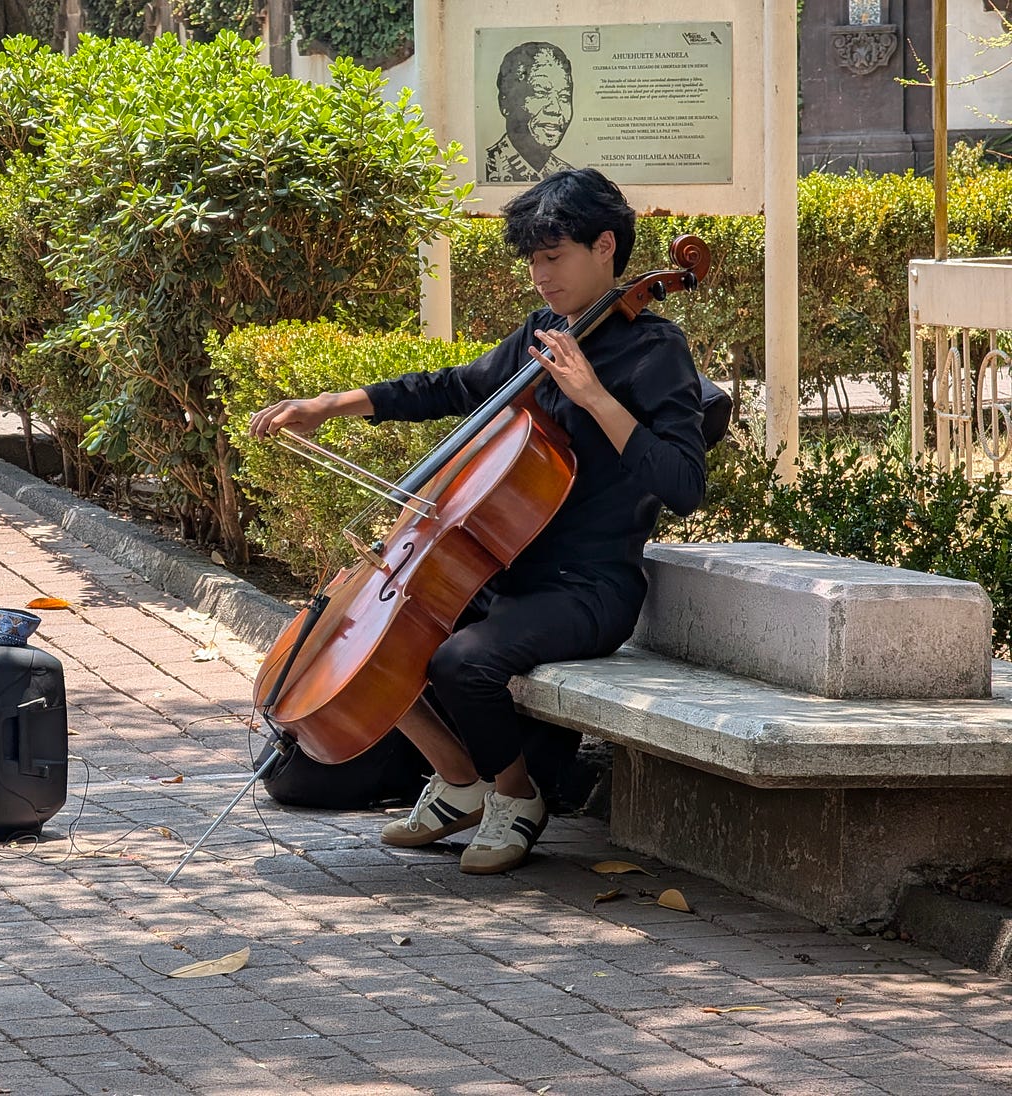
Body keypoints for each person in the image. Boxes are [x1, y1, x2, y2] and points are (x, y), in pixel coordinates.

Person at [248, 169, 710, 875]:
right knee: (368, 643)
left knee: (463, 661)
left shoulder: (655, 353)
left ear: (606, 246)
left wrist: (592, 396)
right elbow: (452, 386)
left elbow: (683, 485)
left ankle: (517, 798)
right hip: (509, 568)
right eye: (531, 260)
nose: (538, 276)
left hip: (588, 586)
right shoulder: (545, 331)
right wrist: (330, 404)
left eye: (552, 256)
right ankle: (459, 782)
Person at [485, 41, 574, 184]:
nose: (556, 109)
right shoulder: (488, 167)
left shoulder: (568, 177)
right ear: (505, 102)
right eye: (541, 93)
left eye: (564, 97)